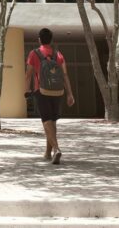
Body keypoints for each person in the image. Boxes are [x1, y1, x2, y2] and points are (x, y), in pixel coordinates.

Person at [23, 27, 75, 165]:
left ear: (39, 39)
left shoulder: (34, 53)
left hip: (42, 90)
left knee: (46, 121)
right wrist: (70, 94)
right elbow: (64, 75)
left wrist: (26, 90)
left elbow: (28, 74)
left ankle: (56, 149)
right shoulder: (58, 54)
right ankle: (48, 153)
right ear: (51, 40)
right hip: (58, 91)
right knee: (52, 121)